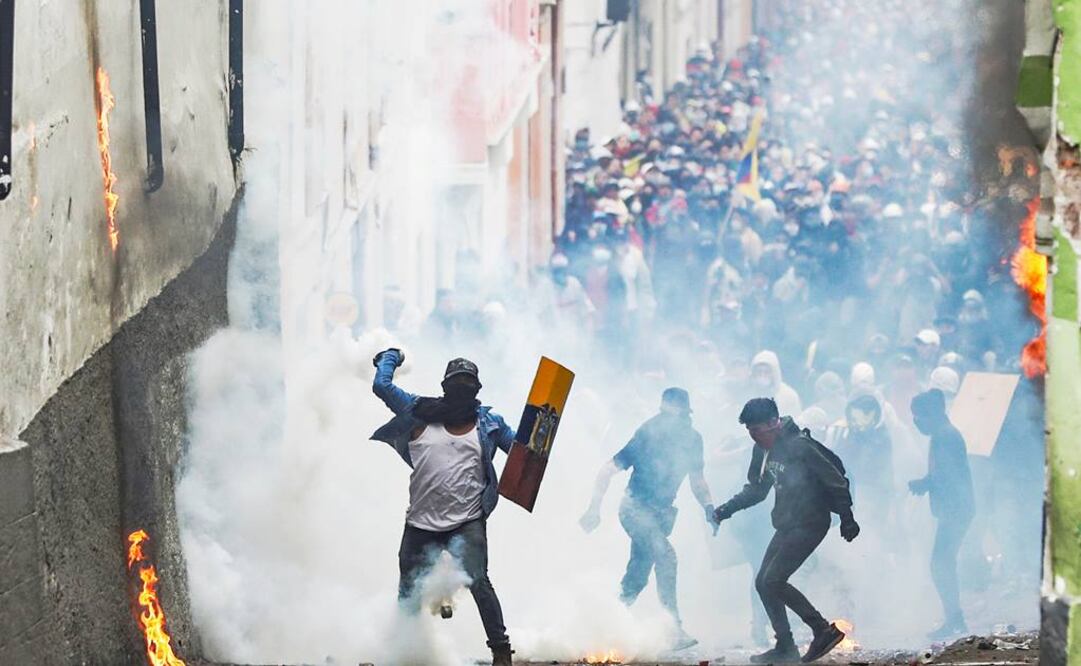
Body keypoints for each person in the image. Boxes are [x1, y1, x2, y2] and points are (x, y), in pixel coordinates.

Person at [370, 348, 516, 666]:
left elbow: (523, 452)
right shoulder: (418, 410)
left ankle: (501, 652)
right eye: (456, 382)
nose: (462, 388)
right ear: (444, 385)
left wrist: (542, 428)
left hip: (468, 520)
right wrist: (390, 355)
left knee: (479, 580)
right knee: (409, 590)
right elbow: (381, 386)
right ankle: (404, 652)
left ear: (477, 390)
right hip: (421, 522)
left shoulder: (489, 423)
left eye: (468, 383)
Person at [713, 398, 859, 664]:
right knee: (762, 582)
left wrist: (847, 517)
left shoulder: (800, 446)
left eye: (757, 430)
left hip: (811, 522)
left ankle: (823, 630)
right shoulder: (763, 451)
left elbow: (836, 481)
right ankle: (785, 647)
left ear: (774, 423)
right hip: (787, 522)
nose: (754, 436)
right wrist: (726, 509)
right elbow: (757, 489)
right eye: (749, 431)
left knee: (774, 580)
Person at [579, 388, 714, 651]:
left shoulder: (692, 440)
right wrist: (594, 508)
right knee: (666, 556)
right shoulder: (647, 433)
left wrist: (709, 507)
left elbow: (697, 480)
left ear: (686, 415)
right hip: (634, 509)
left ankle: (606, 624)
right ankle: (673, 629)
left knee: (637, 575)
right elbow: (608, 470)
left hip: (660, 514)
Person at [908, 389, 975, 640]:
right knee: (942, 563)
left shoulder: (946, 436)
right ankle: (954, 618)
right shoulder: (942, 434)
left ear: (932, 415)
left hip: (957, 510)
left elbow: (947, 476)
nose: (916, 422)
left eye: (918, 417)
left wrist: (925, 484)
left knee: (941, 563)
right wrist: (925, 481)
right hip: (954, 509)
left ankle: (955, 619)